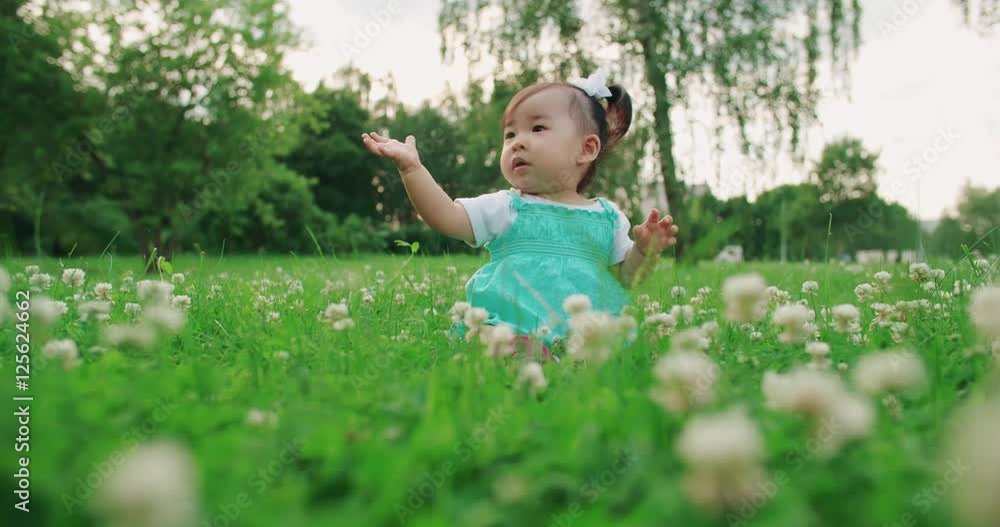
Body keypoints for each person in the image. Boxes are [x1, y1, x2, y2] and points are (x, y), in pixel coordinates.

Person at [361, 69, 678, 358]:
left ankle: (577, 360)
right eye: (510, 135)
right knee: (491, 338)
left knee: (623, 347)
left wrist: (645, 252)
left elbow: (626, 276)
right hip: (516, 329)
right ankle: (529, 357)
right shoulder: (507, 207)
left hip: (586, 335)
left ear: (587, 149)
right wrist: (412, 169)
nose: (517, 143)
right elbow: (446, 216)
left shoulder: (608, 217)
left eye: (537, 128)